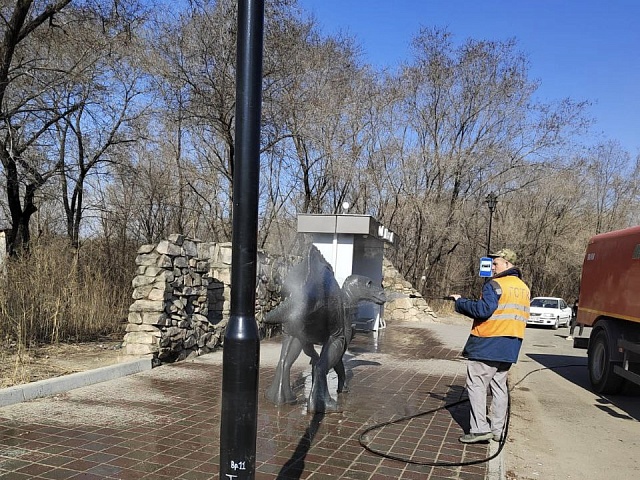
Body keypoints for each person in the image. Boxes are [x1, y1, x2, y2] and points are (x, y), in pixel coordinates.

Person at [449, 248, 530, 444]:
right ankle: (497, 430)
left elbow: (484, 310)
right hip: (511, 345)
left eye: (496, 263)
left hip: (488, 343)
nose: (493, 267)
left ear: (508, 264)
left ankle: (479, 430)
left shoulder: (494, 285)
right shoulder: (524, 288)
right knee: (499, 387)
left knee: (476, 385)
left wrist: (460, 302)